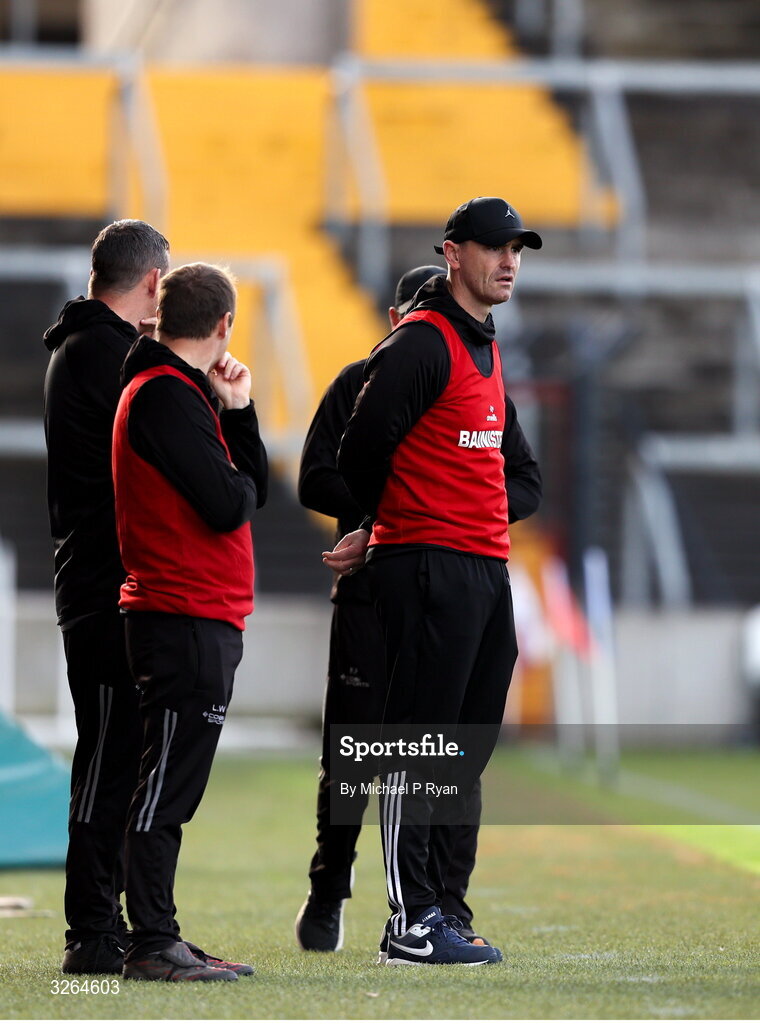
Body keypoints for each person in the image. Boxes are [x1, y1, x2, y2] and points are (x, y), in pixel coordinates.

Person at [295, 263, 540, 953]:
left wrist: (458, 511)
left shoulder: (478, 378)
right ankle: (331, 888)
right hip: (375, 592)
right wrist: (386, 519)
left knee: (450, 747)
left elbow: (522, 479)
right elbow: (321, 472)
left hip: (447, 574)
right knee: (354, 752)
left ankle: (445, 904)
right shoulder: (365, 378)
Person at [110, 262, 267, 982]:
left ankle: (158, 934)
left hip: (196, 612)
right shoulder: (165, 396)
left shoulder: (180, 393)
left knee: (170, 783)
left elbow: (250, 487)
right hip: (182, 613)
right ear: (225, 324)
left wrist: (238, 410)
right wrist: (227, 431)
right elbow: (229, 501)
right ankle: (150, 941)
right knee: (166, 786)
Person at [44, 220, 169, 974]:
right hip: (101, 589)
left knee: (119, 758)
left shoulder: (84, 347)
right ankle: (90, 932)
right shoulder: (105, 354)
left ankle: (106, 922)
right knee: (106, 760)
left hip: (98, 584)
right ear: (154, 282)